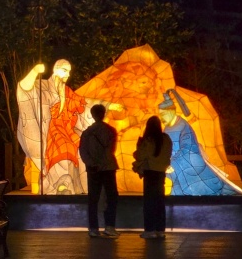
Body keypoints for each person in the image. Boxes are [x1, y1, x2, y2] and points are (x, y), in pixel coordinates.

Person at [17, 60, 121, 194]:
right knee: (64, 147)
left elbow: (83, 103)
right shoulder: (42, 86)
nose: (68, 74)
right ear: (56, 69)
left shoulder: (66, 91)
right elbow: (24, 90)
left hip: (67, 129)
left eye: (69, 71)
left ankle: (80, 185)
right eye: (65, 70)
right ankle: (61, 184)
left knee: (80, 146)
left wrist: (108, 105)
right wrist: (35, 71)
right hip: (50, 130)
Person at [79, 104, 119, 238]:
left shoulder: (87, 133)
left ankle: (93, 228)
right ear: (104, 114)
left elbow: (83, 151)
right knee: (111, 197)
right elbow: (111, 149)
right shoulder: (111, 130)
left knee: (93, 198)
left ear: (92, 115)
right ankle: (109, 226)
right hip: (108, 167)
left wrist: (91, 163)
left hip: (93, 169)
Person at [133, 116, 173, 239]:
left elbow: (140, 155)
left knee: (149, 202)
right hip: (161, 173)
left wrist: (138, 147)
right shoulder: (166, 139)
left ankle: (149, 230)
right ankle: (160, 230)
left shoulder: (148, 140)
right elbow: (168, 154)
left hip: (150, 172)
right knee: (160, 202)